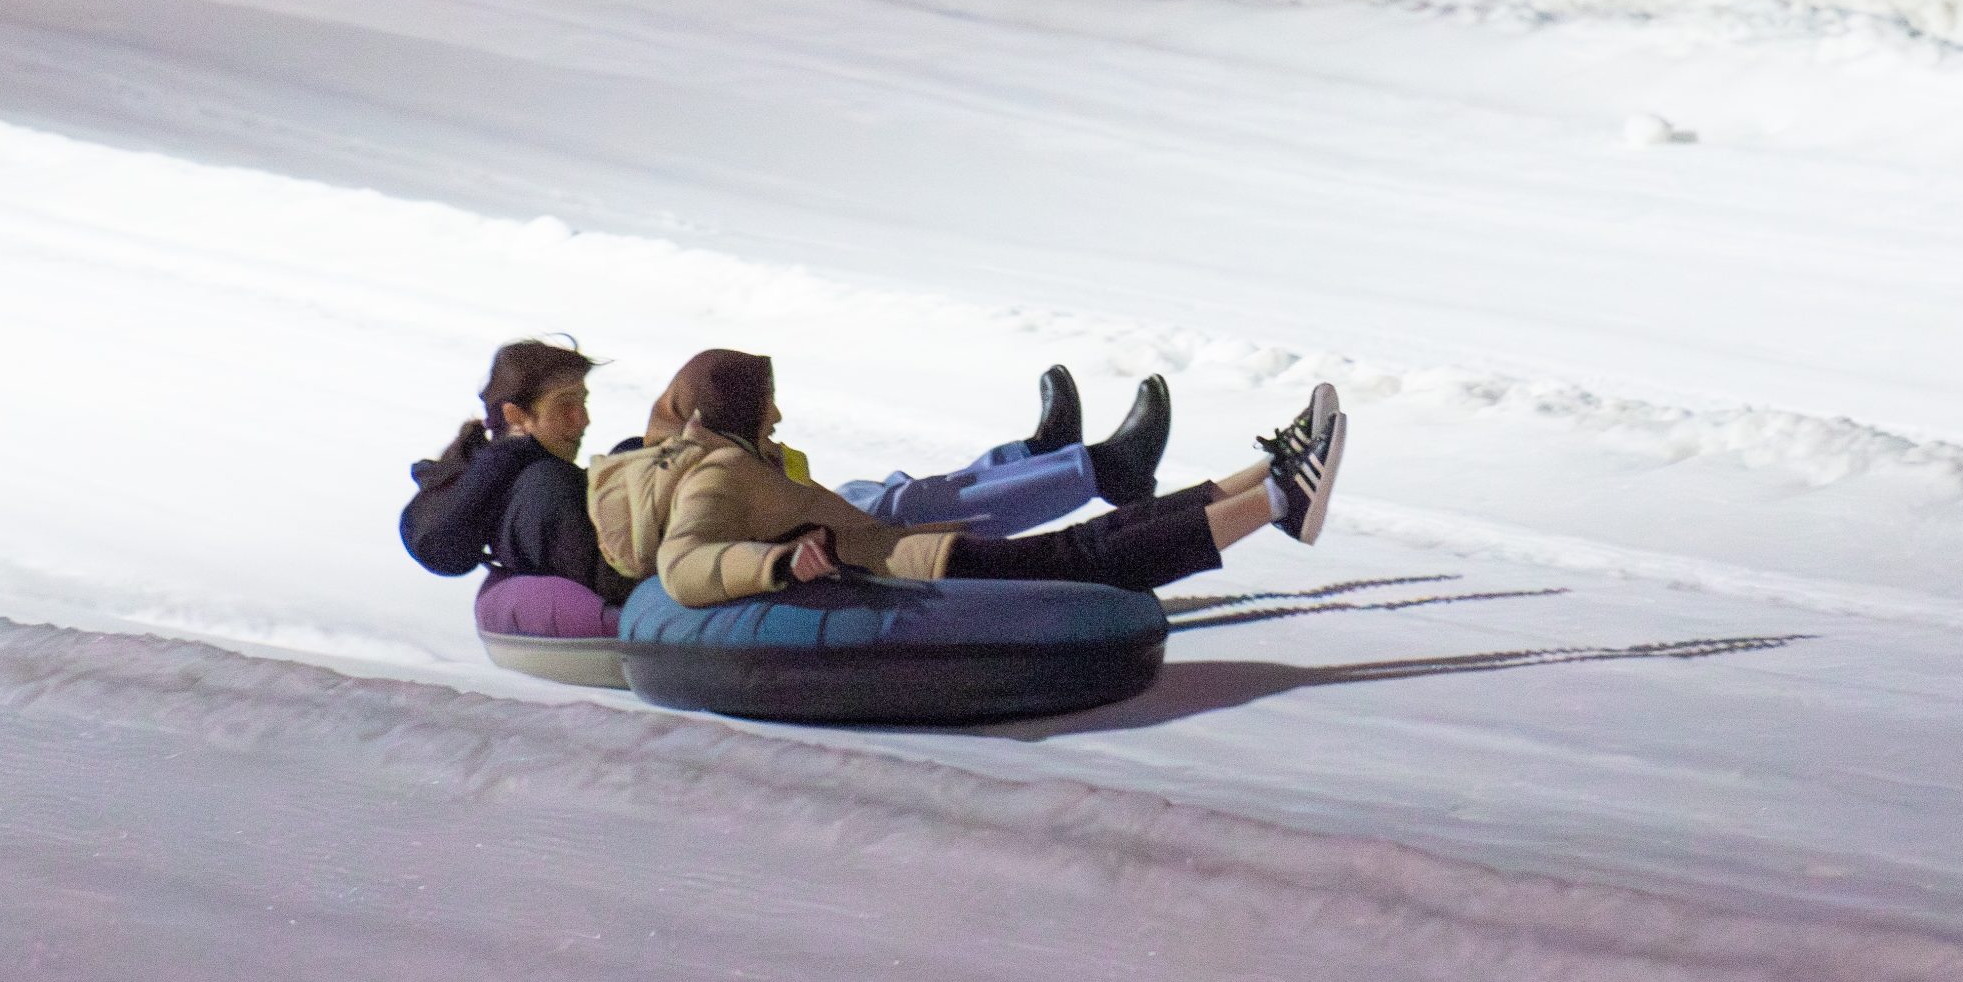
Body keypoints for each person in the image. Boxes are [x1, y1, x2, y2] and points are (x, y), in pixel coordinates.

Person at [401, 340, 1176, 613]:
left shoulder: (542, 475)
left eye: (582, 403)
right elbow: (434, 543)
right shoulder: (518, 481)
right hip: (722, 541)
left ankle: (1042, 457)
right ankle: (1096, 470)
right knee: (891, 514)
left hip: (714, 510)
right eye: (565, 407)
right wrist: (510, 450)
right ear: (514, 414)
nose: (580, 421)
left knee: (885, 491)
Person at [590, 349, 1345, 611]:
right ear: (730, 411)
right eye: (765, 401)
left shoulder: (714, 460)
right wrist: (777, 563)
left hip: (903, 551)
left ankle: (1268, 480)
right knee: (1089, 560)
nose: (778, 412)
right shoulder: (715, 473)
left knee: (1092, 543)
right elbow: (684, 567)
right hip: (907, 568)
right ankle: (1281, 499)